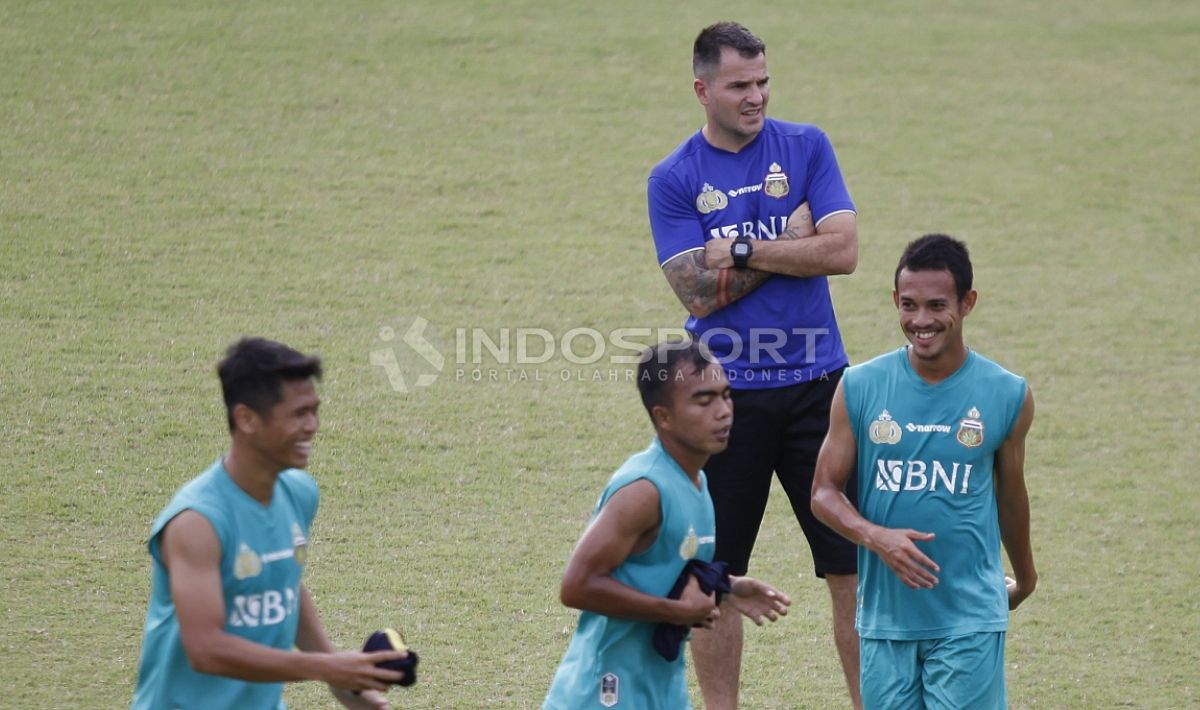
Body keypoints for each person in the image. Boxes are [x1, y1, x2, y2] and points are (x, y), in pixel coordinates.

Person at [646, 20, 861, 708]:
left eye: (763, 81)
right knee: (713, 575)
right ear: (702, 89)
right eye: (740, 84)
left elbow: (843, 253)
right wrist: (793, 237)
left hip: (820, 392)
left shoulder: (806, 147)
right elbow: (696, 296)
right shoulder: (674, 178)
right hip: (721, 400)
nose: (756, 96)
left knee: (850, 570)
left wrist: (736, 249)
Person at [811, 234, 1038, 709]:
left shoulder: (1006, 394)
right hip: (885, 620)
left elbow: (1011, 496)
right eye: (909, 305)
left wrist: (1026, 576)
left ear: (968, 302)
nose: (921, 321)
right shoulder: (859, 386)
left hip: (969, 615)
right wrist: (876, 537)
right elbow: (823, 492)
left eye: (937, 305)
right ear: (895, 300)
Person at [131, 337, 409, 710]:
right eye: (298, 414)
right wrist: (326, 667)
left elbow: (284, 584)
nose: (312, 426)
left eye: (314, 410)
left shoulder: (298, 492)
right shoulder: (197, 522)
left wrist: (347, 687)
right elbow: (206, 650)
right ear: (246, 419)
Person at [542, 340, 791, 710]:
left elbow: (670, 566)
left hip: (659, 685)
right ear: (664, 417)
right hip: (605, 691)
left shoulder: (696, 481)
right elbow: (577, 586)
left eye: (726, 395)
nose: (723, 412)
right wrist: (676, 613)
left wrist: (727, 586)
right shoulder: (643, 490)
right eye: (704, 401)